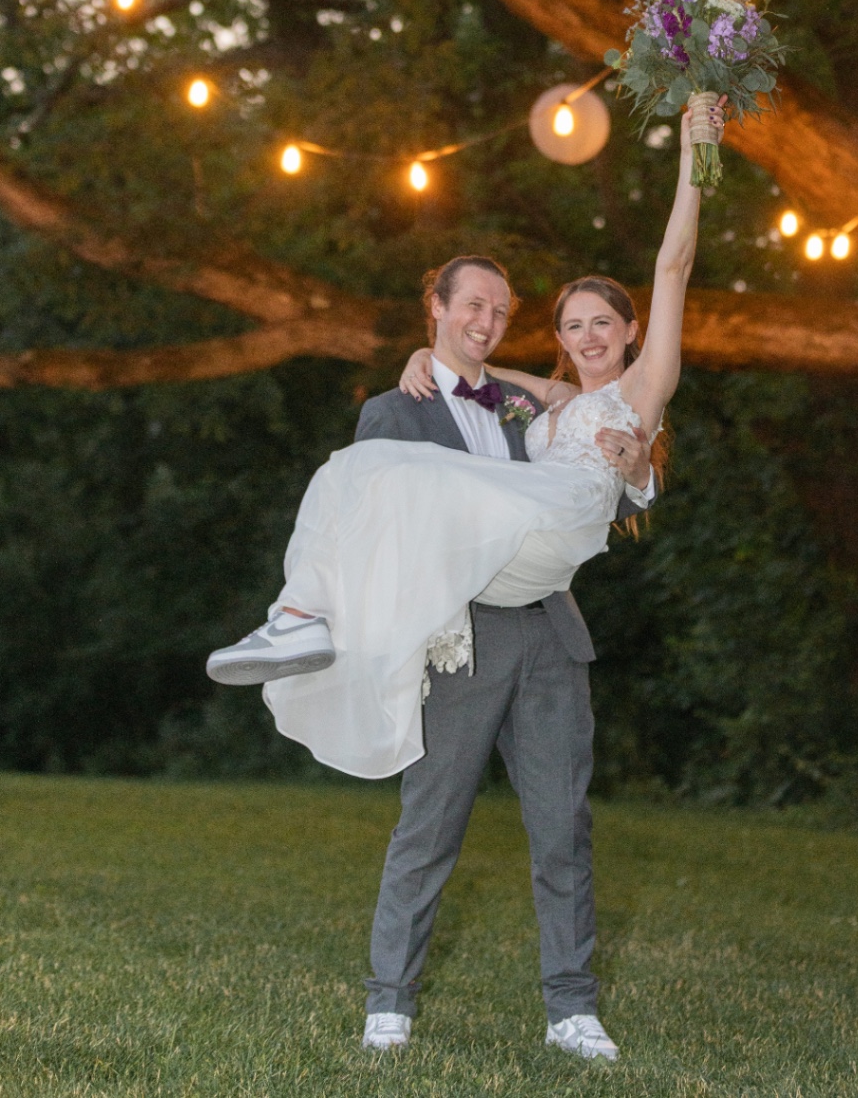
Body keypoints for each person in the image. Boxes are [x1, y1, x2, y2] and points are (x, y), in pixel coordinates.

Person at [204, 103, 718, 1061]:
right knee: (429, 819)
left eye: (602, 322)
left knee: (561, 828)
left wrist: (697, 151)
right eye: (570, 325)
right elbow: (474, 402)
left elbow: (675, 265)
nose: (587, 335)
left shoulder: (631, 390)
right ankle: (388, 1002)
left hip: (548, 614)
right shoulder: (536, 402)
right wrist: (431, 360)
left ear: (631, 331)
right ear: (440, 310)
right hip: (465, 635)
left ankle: (572, 1011)